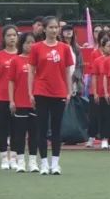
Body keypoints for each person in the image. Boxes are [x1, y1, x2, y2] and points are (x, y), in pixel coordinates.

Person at [28, 16, 75, 175]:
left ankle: (55, 163)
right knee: (41, 128)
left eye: (56, 27)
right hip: (41, 91)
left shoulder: (64, 48)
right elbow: (31, 71)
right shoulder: (36, 48)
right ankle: (43, 163)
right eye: (51, 27)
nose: (54, 30)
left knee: (56, 128)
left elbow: (67, 71)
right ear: (44, 29)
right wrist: (30, 92)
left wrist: (68, 91)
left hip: (59, 92)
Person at [9, 33, 39, 173]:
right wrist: (11, 100)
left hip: (35, 102)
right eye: (27, 42)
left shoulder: (38, 61)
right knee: (20, 134)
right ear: (22, 44)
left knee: (34, 133)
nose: (30, 45)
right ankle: (20, 161)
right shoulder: (16, 60)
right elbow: (11, 82)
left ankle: (33, 161)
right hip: (20, 102)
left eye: (32, 42)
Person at [0, 25, 20, 169]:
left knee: (16, 129)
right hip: (2, 97)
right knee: (2, 129)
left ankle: (14, 158)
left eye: (14, 35)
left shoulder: (21, 56)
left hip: (18, 98)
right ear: (3, 38)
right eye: (9, 35)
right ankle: (4, 158)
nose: (12, 38)